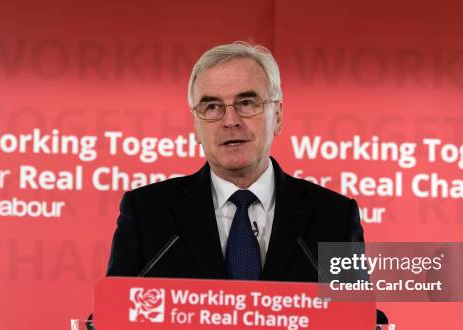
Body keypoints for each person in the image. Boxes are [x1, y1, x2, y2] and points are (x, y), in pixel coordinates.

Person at [106, 42, 364, 283]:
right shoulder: (147, 214)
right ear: (195, 125)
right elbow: (109, 320)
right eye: (212, 107)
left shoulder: (333, 218)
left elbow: (361, 322)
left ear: (278, 116)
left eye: (247, 103)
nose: (230, 120)